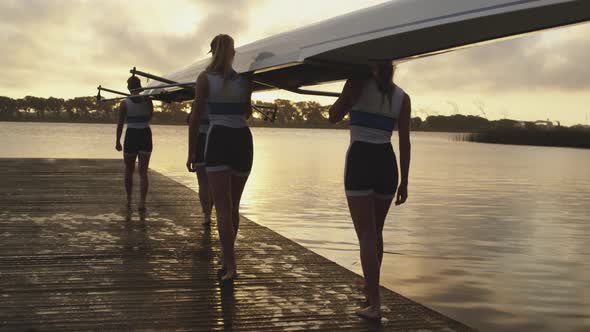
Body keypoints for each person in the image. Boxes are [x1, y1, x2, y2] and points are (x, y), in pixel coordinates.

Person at [328, 63, 411, 321]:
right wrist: (405, 181)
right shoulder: (402, 97)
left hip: (361, 159)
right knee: (376, 232)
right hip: (387, 163)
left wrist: (346, 95)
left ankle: (374, 305)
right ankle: (369, 288)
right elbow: (405, 142)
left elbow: (332, 116)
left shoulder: (357, 85)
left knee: (365, 235)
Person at [187, 34, 253, 281]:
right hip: (243, 140)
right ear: (233, 53)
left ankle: (231, 265)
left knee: (222, 209)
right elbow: (246, 112)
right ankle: (227, 259)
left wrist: (192, 151)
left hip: (218, 139)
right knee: (233, 207)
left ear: (213, 53)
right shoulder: (245, 81)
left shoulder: (205, 78)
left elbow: (195, 118)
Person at [115, 75, 154, 211]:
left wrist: (117, 141)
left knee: (129, 170)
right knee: (143, 172)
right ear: (140, 86)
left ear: (128, 87)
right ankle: (142, 202)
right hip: (145, 134)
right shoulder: (148, 100)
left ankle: (129, 199)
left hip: (131, 135)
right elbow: (150, 116)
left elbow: (120, 124)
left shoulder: (124, 103)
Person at [187, 100, 213, 226]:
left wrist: (190, 154)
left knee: (203, 183)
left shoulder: (197, 103)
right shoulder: (217, 98)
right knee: (214, 182)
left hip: (201, 140)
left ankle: (207, 215)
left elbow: (191, 124)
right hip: (216, 139)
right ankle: (213, 212)